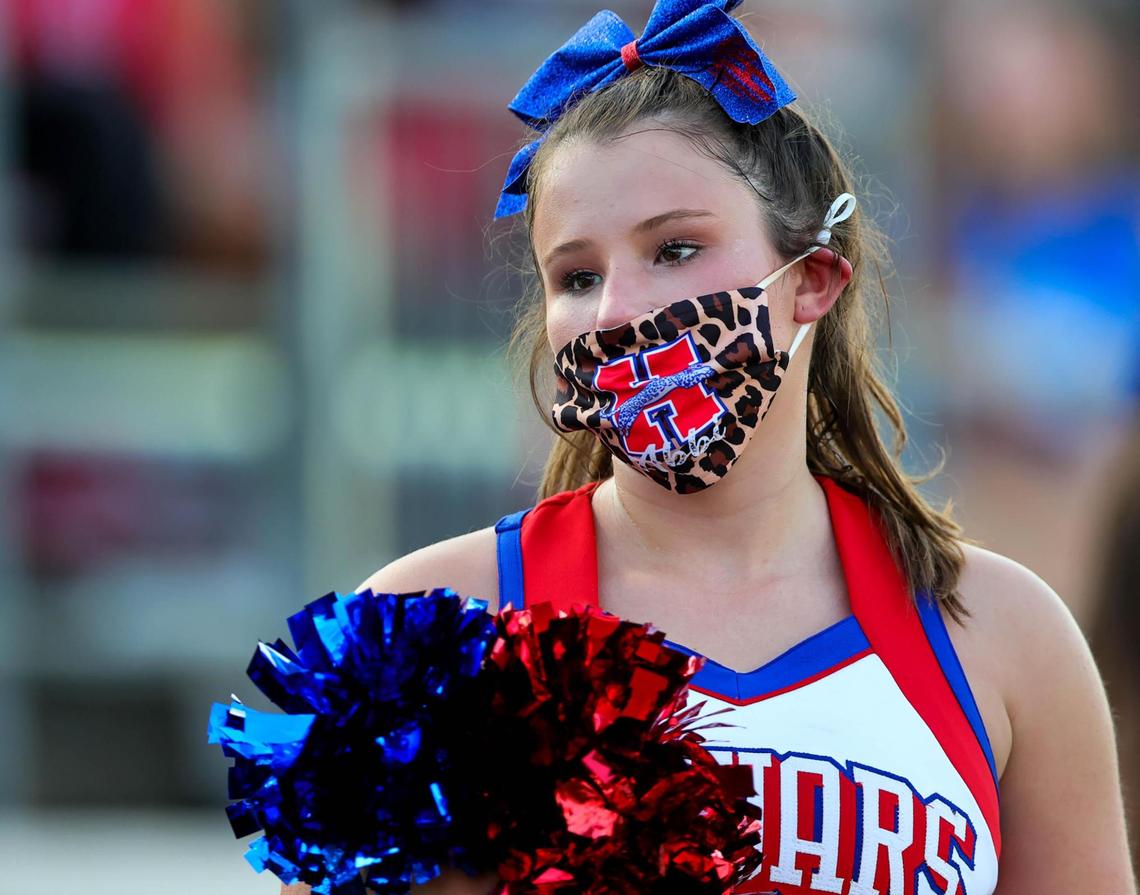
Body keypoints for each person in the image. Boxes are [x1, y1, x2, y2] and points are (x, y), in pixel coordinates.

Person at [285, 1, 1135, 892]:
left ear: (811, 279)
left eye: (676, 248)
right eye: (577, 275)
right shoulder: (419, 626)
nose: (618, 310)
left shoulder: (1007, 635)